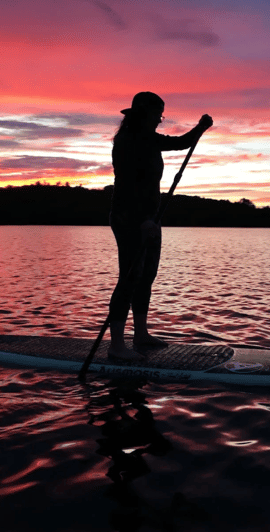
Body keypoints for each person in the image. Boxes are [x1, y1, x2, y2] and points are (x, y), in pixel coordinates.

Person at [108, 91, 213, 360]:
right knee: (130, 277)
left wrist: (200, 128)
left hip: (151, 218)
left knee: (147, 276)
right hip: (130, 217)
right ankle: (117, 346)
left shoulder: (148, 139)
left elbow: (180, 144)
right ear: (144, 114)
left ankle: (140, 335)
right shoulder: (129, 141)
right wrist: (142, 220)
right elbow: (130, 186)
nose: (159, 120)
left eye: (161, 115)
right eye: (157, 114)